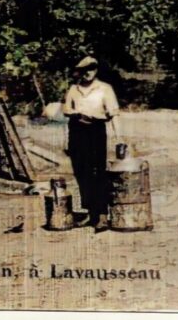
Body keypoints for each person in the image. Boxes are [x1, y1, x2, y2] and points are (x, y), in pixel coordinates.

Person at [62, 56, 119, 232]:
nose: (88, 73)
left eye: (92, 69)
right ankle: (90, 213)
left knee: (97, 171)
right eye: (85, 69)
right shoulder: (74, 89)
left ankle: (102, 215)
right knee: (81, 172)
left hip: (95, 131)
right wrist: (76, 115)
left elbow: (114, 114)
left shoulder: (104, 89)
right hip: (77, 131)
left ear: (96, 70)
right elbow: (65, 110)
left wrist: (119, 138)